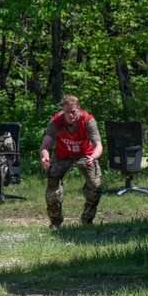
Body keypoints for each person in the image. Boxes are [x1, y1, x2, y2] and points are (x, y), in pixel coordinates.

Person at [38, 95, 103, 230]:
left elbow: (98, 145)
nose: (70, 115)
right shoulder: (56, 121)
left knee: (95, 184)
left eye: (73, 111)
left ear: (78, 109)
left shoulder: (88, 120)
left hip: (85, 154)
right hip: (62, 155)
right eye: (67, 112)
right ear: (63, 110)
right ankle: (55, 222)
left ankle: (87, 219)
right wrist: (45, 157)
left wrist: (93, 157)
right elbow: (45, 145)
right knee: (52, 185)